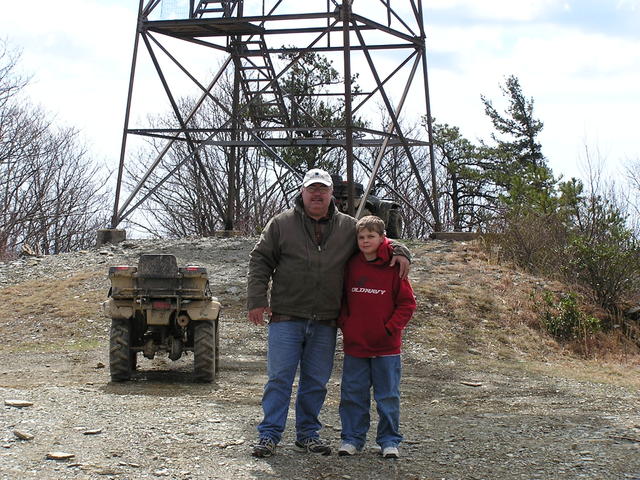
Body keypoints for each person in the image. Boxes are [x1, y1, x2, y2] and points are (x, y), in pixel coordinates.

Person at [247, 168, 410, 458]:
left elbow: (375, 240)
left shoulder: (348, 226)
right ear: (302, 192)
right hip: (286, 316)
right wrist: (257, 299)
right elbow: (260, 260)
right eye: (312, 189)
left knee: (316, 382)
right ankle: (269, 435)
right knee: (279, 379)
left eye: (323, 189)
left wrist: (400, 250)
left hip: (325, 321)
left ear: (331, 193)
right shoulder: (281, 224)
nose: (317, 194)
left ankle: (308, 435)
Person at [337, 215, 416, 459]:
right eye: (361, 237)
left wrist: (390, 329)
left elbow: (407, 304)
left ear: (383, 238)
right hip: (356, 345)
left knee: (388, 396)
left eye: (371, 236)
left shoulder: (394, 265)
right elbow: (342, 301)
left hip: (386, 347)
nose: (365, 241)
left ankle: (389, 440)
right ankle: (352, 438)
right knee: (352, 395)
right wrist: (347, 326)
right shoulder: (351, 265)